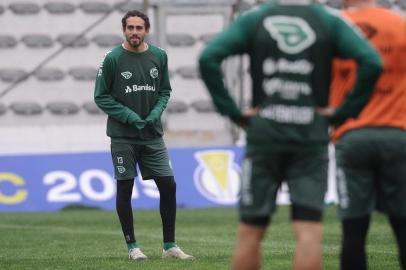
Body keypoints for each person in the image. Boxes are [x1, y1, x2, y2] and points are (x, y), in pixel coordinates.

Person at [198, 0, 383, 269]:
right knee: (309, 230)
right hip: (310, 136)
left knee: (251, 229)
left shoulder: (256, 18)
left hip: (264, 136)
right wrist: (344, 112)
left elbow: (208, 57)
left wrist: (233, 111)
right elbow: (371, 62)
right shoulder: (328, 20)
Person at [94, 10, 193, 261]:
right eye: (130, 28)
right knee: (125, 187)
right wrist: (129, 116)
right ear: (124, 30)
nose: (134, 32)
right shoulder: (112, 58)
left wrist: (155, 112)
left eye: (139, 28)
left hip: (152, 135)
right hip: (123, 136)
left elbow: (164, 91)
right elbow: (101, 96)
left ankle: (169, 246)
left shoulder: (159, 56)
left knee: (168, 186)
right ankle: (133, 247)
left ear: (146, 30)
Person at [326, 0, 406, 269]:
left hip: (352, 135)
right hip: (397, 134)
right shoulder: (400, 24)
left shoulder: (333, 28)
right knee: (403, 224)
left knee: (354, 230)